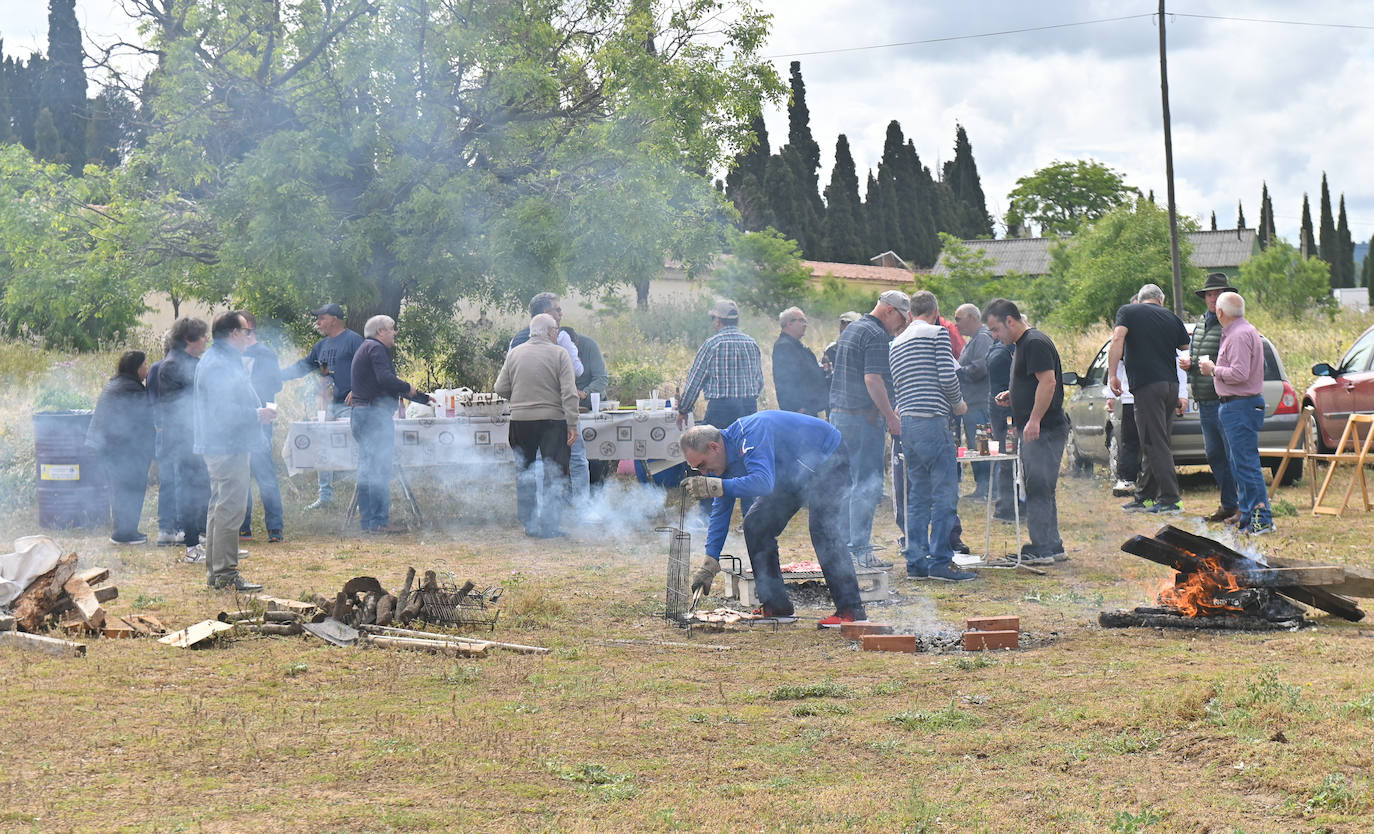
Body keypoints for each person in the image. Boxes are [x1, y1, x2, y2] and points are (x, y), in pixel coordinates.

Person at [681, 414, 868, 626]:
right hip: (792, 473)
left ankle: (851, 610)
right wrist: (710, 560)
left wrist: (719, 486)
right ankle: (776, 605)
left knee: (823, 528)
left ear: (714, 447)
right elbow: (721, 510)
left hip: (827, 458)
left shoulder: (750, 433)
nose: (704, 473)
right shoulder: (723, 462)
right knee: (756, 525)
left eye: (703, 465)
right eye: (699, 470)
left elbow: (763, 482)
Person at [889, 294, 975, 581]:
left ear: (911, 313)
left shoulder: (896, 343)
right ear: (936, 311)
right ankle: (940, 561)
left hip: (909, 425)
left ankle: (916, 562)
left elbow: (898, 385)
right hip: (933, 421)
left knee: (918, 496)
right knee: (944, 495)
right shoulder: (937, 334)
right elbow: (947, 377)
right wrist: (958, 404)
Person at [828, 290, 910, 566]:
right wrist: (890, 415)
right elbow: (873, 379)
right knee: (867, 485)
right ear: (889, 310)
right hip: (862, 420)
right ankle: (861, 551)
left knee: (847, 485)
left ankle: (843, 550)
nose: (899, 326)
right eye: (899, 320)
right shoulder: (876, 335)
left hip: (841, 417)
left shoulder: (853, 329)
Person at [193, 311, 273, 592]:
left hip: (226, 444)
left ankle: (217, 574)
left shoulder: (223, 360)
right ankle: (225, 574)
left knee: (221, 508)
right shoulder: (218, 365)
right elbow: (222, 411)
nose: (250, 336)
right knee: (230, 510)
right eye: (246, 331)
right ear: (233, 334)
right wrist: (256, 414)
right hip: (227, 445)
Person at [987, 299, 1068, 565]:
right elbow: (1036, 382)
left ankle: (1041, 548)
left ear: (1010, 321)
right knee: (1042, 486)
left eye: (996, 330)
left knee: (1037, 487)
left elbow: (1049, 381)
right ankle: (1053, 545)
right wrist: (1016, 395)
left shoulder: (1033, 342)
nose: (996, 337)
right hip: (1041, 426)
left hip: (1044, 428)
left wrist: (1034, 419)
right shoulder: (1024, 344)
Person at [495, 313, 579, 538]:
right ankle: (550, 525)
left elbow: (500, 388)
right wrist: (572, 423)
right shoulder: (560, 354)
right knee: (556, 472)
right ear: (551, 332)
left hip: (520, 422)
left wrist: (521, 399)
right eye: (556, 330)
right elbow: (569, 393)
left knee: (525, 471)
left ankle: (529, 524)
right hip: (553, 421)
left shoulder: (514, 354)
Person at [1109, 283, 1190, 515]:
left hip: (1147, 386)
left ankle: (1171, 499)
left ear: (1141, 299)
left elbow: (1117, 340)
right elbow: (1186, 352)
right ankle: (1145, 497)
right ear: (1161, 300)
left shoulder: (1128, 311)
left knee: (1154, 442)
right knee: (1155, 440)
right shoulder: (1173, 318)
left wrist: (1113, 374)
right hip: (1170, 386)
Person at [1198, 292, 1274, 535]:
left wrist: (1213, 370)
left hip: (1241, 405)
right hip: (1237, 406)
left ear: (1220, 313)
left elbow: (1239, 373)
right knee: (1239, 464)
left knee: (1247, 464)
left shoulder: (1239, 335)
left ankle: (1263, 519)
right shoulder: (1241, 331)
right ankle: (1249, 516)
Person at [349, 315, 429, 534]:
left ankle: (369, 521)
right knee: (380, 469)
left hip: (363, 414)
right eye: (392, 329)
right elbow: (385, 379)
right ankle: (379, 521)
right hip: (374, 417)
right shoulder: (376, 349)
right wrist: (409, 387)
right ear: (380, 331)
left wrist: (421, 397)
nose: (395, 333)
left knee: (367, 469)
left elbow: (373, 382)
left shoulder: (366, 348)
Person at [280, 303, 363, 510]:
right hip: (328, 405)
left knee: (358, 448)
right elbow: (304, 366)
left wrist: (360, 390)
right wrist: (277, 376)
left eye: (321, 318)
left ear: (334, 319)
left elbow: (366, 366)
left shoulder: (353, 340)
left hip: (351, 405)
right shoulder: (321, 346)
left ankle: (363, 497)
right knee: (322, 446)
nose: (318, 323)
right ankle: (325, 496)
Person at [1179, 273, 1242, 524]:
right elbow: (1201, 359)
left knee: (1231, 454)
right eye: (1209, 294)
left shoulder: (1231, 326)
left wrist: (1212, 367)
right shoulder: (1202, 325)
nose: (1212, 298)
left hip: (1224, 399)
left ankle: (1240, 506)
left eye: (1217, 294)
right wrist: (1189, 364)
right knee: (1215, 454)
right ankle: (1228, 504)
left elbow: (1232, 362)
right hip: (1205, 399)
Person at [156, 316, 211, 563]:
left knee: (200, 490)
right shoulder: (175, 364)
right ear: (189, 339)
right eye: (203, 336)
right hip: (183, 438)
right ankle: (191, 547)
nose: (206, 340)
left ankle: (201, 540)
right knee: (190, 491)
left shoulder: (188, 361)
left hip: (192, 435)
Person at [87, 350, 155, 545]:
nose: (146, 369)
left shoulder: (115, 384)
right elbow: (142, 421)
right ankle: (125, 534)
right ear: (136, 368)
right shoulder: (131, 389)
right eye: (144, 365)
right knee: (130, 488)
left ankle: (124, 530)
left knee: (120, 489)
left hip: (110, 448)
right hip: (122, 450)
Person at [675, 299, 763, 431]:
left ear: (718, 320)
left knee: (716, 449)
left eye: (713, 318)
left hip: (721, 410)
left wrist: (683, 410)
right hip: (748, 409)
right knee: (745, 448)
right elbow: (759, 382)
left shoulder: (713, 344)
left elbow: (695, 382)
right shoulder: (752, 343)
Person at [239, 311, 284, 542]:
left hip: (260, 424)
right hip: (238, 423)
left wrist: (268, 409)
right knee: (240, 475)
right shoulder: (232, 355)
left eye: (239, 328)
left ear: (250, 329)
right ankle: (243, 528)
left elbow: (277, 384)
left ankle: (275, 529)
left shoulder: (265, 354)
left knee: (264, 474)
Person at [562, 325, 611, 490]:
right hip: (565, 409)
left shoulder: (589, 346)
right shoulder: (554, 349)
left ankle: (597, 484)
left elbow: (602, 378)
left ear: (576, 342)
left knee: (596, 451)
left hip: (591, 405)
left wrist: (585, 392)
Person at [146, 331, 182, 546]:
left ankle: (165, 529)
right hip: (177, 431)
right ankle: (180, 528)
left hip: (161, 432)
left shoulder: (154, 369)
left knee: (167, 481)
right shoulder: (176, 369)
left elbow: (150, 401)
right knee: (182, 480)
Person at [955, 302, 994, 500]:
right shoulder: (975, 339)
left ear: (972, 317)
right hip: (972, 403)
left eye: (959, 319)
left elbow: (982, 367)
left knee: (982, 447)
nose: (956, 324)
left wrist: (959, 371)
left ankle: (988, 488)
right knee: (976, 446)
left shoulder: (983, 338)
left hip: (979, 403)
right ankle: (983, 487)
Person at [772, 307, 828, 416]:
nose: (805, 324)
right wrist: (797, 408)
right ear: (789, 323)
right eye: (801, 320)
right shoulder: (784, 346)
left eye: (805, 321)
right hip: (799, 411)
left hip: (807, 409)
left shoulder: (797, 346)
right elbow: (785, 380)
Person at [821, 311, 861, 386]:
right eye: (842, 322)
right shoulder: (831, 349)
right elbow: (825, 375)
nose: (845, 326)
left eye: (849, 323)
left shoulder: (863, 350)